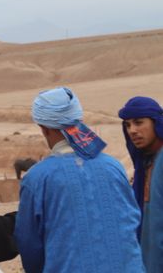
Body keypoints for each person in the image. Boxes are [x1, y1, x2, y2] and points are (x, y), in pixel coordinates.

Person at [15, 87, 145, 273]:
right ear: (78, 121)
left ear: (44, 128)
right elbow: (132, 222)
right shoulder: (114, 166)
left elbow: (29, 243)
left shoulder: (37, 178)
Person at [118, 96, 163, 272]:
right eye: (128, 125)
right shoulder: (147, 162)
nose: (132, 130)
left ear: (156, 123)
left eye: (138, 122)